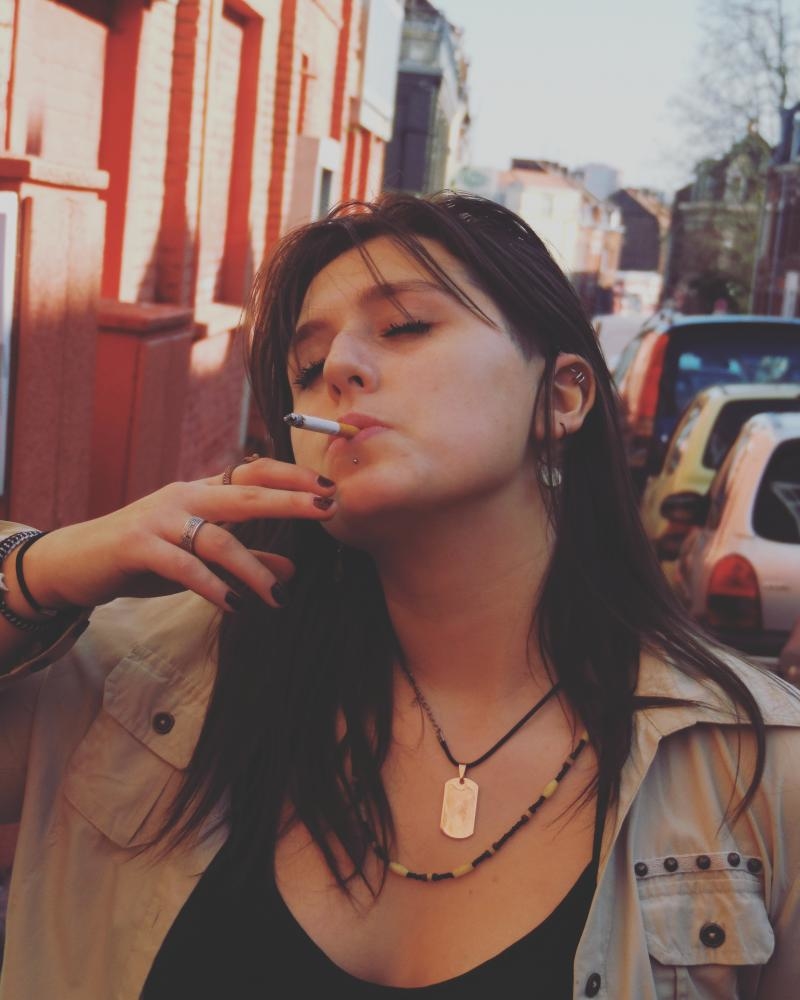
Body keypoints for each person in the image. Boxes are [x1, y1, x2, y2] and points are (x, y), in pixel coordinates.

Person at [0, 191, 798, 1000]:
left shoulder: (760, 770)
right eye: (307, 367)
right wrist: (37, 570)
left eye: (406, 326)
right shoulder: (149, 686)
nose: (338, 368)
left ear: (561, 397)